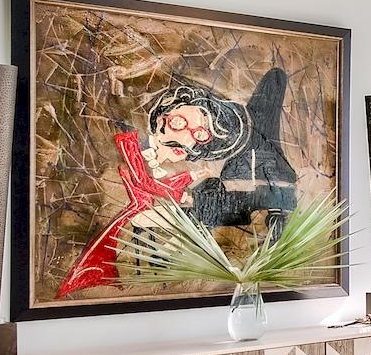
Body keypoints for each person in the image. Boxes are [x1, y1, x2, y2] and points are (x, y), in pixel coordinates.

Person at [55, 83, 247, 297]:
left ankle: (180, 249)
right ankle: (176, 250)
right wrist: (184, 195)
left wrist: (192, 177)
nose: (185, 138)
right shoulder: (131, 146)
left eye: (199, 135)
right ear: (161, 118)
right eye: (178, 122)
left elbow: (160, 185)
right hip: (138, 212)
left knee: (210, 191)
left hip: (152, 209)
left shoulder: (161, 158)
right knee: (200, 206)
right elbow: (145, 184)